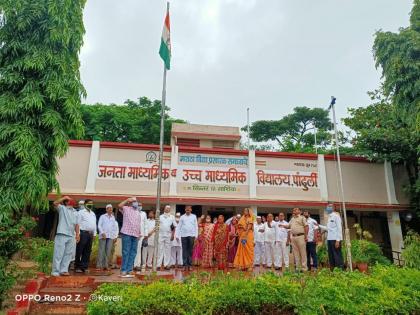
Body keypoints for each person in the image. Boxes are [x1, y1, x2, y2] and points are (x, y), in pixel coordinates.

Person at [51, 196, 80, 276]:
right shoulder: (62, 208)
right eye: (70, 200)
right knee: (58, 253)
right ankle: (55, 271)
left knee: (68, 254)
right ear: (66, 202)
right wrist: (64, 198)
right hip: (62, 234)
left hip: (71, 235)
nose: (72, 201)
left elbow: (77, 224)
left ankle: (63, 270)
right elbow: (55, 203)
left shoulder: (76, 212)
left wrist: (77, 235)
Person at [118, 197, 143, 278]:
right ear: (131, 203)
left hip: (135, 235)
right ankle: (123, 270)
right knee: (126, 252)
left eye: (136, 201)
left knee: (133, 252)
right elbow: (119, 205)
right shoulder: (126, 208)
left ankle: (129, 269)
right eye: (134, 201)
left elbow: (138, 224)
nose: (136, 203)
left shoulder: (138, 212)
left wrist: (139, 233)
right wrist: (127, 200)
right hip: (126, 233)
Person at [282, 208, 308, 272]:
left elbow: (306, 227)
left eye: (296, 209)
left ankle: (304, 268)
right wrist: (282, 225)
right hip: (293, 237)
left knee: (303, 253)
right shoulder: (292, 219)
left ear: (299, 211)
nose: (294, 210)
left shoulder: (302, 218)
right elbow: (289, 226)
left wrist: (306, 236)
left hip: (301, 236)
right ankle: (298, 268)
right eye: (293, 210)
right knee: (296, 253)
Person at [75, 199, 96, 273]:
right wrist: (77, 234)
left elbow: (94, 224)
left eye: (92, 204)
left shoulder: (93, 213)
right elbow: (77, 223)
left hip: (90, 234)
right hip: (83, 233)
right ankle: (77, 266)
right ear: (85, 204)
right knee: (79, 250)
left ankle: (84, 267)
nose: (91, 205)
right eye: (89, 203)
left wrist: (94, 234)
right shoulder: (81, 212)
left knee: (87, 251)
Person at [96, 204, 119, 271]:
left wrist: (115, 236)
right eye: (109, 208)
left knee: (108, 251)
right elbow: (99, 225)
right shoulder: (102, 216)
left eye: (111, 208)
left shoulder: (113, 217)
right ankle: (99, 265)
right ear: (106, 209)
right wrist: (102, 233)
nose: (110, 210)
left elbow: (114, 228)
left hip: (110, 236)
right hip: (103, 236)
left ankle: (106, 265)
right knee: (101, 250)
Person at [178, 206, 198, 271]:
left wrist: (196, 236)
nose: (188, 211)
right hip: (183, 235)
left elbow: (196, 226)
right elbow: (179, 226)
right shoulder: (182, 217)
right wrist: (177, 236)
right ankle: (184, 265)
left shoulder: (194, 216)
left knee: (190, 251)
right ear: (185, 210)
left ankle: (189, 265)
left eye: (189, 210)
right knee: (184, 250)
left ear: (191, 210)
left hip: (191, 235)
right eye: (186, 210)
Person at [157, 205, 176, 270]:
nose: (167, 209)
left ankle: (166, 265)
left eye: (168, 208)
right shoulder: (160, 217)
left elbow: (174, 227)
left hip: (168, 235)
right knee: (160, 250)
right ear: (164, 209)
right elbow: (157, 226)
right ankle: (158, 265)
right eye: (166, 208)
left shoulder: (172, 217)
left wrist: (173, 235)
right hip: (161, 235)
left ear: (170, 210)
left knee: (167, 250)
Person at [326, 205, 344, 270]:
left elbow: (339, 228)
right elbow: (328, 228)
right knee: (331, 255)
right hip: (329, 239)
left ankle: (340, 270)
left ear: (333, 208)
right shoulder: (329, 217)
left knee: (337, 255)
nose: (327, 208)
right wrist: (318, 225)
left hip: (335, 239)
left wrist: (338, 240)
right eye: (327, 207)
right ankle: (333, 270)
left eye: (329, 207)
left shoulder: (336, 216)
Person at [133, 202, 147, 271]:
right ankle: (132, 264)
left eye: (141, 205)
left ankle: (137, 265)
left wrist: (145, 235)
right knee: (133, 249)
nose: (140, 206)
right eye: (138, 205)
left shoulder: (144, 214)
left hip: (141, 235)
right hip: (133, 234)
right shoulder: (133, 212)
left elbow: (145, 224)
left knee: (138, 250)